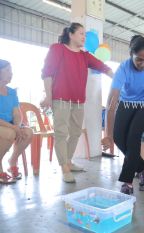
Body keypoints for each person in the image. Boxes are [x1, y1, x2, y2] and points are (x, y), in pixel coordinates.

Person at [41, 23, 113, 183]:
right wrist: (48, 96)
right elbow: (47, 72)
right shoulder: (57, 49)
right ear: (71, 34)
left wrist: (117, 78)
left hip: (79, 101)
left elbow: (102, 66)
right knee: (61, 133)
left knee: (75, 133)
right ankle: (64, 167)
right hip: (60, 99)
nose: (84, 37)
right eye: (81, 33)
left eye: (85, 35)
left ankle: (68, 161)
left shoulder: (84, 55)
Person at [101, 35, 144, 195]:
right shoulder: (123, 68)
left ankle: (127, 182)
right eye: (139, 60)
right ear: (131, 54)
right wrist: (108, 134)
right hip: (127, 102)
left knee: (133, 136)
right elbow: (111, 104)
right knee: (118, 138)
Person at [0, 59, 33, 184]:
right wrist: (14, 128)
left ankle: (12, 161)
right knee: (10, 133)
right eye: (7, 70)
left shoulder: (12, 92)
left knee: (28, 132)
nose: (11, 73)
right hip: (4, 126)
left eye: (11, 70)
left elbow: (16, 113)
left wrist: (18, 126)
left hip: (10, 125)